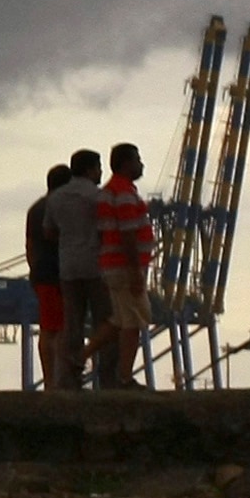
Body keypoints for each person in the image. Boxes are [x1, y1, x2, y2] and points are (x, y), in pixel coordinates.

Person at [97, 142, 153, 390]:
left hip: (112, 265)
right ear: (126, 164)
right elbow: (128, 234)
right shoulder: (124, 194)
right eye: (138, 160)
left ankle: (79, 357)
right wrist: (135, 273)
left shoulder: (110, 191)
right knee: (135, 322)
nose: (142, 164)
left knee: (119, 320)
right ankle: (124, 378)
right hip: (125, 268)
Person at [49, 148, 104, 389]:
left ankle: (68, 378)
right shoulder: (98, 197)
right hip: (95, 265)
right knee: (104, 323)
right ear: (90, 169)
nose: (101, 172)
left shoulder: (56, 197)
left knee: (72, 325)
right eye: (98, 167)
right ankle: (107, 377)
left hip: (68, 266)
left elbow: (49, 231)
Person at [26, 162, 71, 390]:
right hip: (60, 273)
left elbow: (30, 245)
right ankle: (57, 381)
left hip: (42, 273)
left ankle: (49, 380)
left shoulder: (35, 209)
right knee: (61, 329)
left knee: (47, 328)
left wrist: (33, 271)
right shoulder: (61, 207)